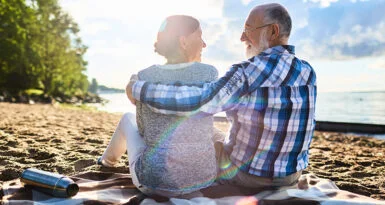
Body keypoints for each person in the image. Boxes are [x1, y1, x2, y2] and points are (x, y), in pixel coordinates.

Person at [130, 3, 317, 189]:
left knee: (197, 130)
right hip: (291, 175)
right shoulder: (308, 71)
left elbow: (200, 101)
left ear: (273, 31)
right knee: (212, 132)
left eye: (248, 29)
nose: (242, 37)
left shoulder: (248, 71)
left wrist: (140, 89)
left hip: (248, 176)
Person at [98, 15, 219, 197]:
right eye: (200, 36)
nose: (204, 44)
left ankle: (106, 162)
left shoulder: (145, 76)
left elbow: (143, 130)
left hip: (154, 183)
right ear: (183, 42)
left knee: (127, 119)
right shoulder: (210, 73)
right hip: (202, 180)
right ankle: (106, 161)